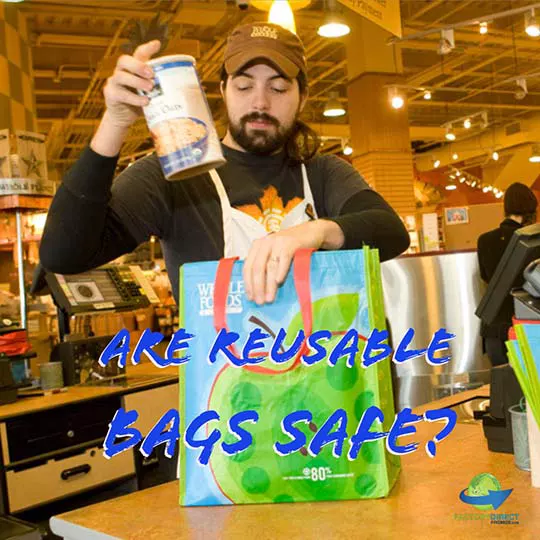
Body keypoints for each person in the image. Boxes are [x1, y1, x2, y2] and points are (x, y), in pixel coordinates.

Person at [39, 22, 410, 306]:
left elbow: (391, 232)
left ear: (303, 96)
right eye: (244, 86)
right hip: (223, 397)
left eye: (279, 88)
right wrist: (115, 123)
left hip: (324, 390)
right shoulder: (174, 175)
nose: (261, 103)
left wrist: (314, 232)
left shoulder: (322, 173)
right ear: (221, 91)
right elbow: (65, 254)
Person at [477, 182, 538, 366]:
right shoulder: (534, 240)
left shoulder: (485, 240)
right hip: (527, 324)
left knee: (503, 386)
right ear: (532, 208)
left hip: (493, 326)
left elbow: (485, 276)